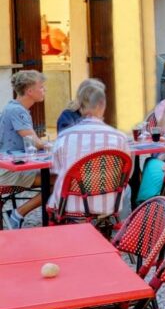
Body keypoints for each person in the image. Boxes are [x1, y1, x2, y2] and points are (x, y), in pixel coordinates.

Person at [47, 82, 130, 218]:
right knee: (126, 188)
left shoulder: (65, 136)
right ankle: (122, 227)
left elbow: (57, 168)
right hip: (108, 199)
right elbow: (126, 173)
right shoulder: (119, 137)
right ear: (101, 104)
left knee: (60, 182)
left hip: (71, 202)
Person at [0, 71, 52, 229]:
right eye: (41, 87)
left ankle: (18, 214)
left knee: (56, 178)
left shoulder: (14, 107)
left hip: (10, 166)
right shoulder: (18, 111)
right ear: (30, 91)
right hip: (8, 171)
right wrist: (56, 145)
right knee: (59, 182)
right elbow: (34, 142)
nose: (44, 90)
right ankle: (17, 214)